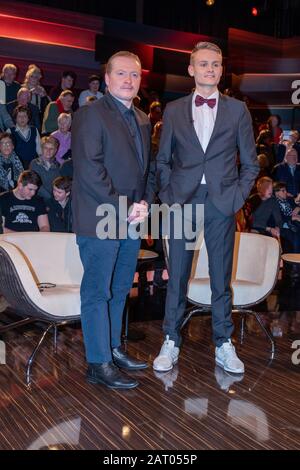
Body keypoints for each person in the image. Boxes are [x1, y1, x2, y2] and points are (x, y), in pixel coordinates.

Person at [153, 41, 259, 375]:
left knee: (220, 276)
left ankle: (223, 343)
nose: (209, 69)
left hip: (220, 202)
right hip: (182, 200)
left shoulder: (238, 109)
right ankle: (170, 339)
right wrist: (170, 195)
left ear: (221, 69)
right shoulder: (173, 110)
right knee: (178, 275)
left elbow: (251, 165)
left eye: (215, 64)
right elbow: (163, 160)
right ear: (191, 69)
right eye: (203, 64)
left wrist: (236, 197)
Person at [72, 51, 155, 390]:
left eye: (134, 75)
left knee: (121, 288)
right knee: (97, 291)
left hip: (131, 219)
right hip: (99, 218)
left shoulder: (142, 118)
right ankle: (98, 362)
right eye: (121, 74)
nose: (128, 80)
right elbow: (91, 172)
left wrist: (146, 203)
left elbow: (146, 172)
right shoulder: (89, 115)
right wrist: (125, 208)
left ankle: (114, 348)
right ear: (106, 79)